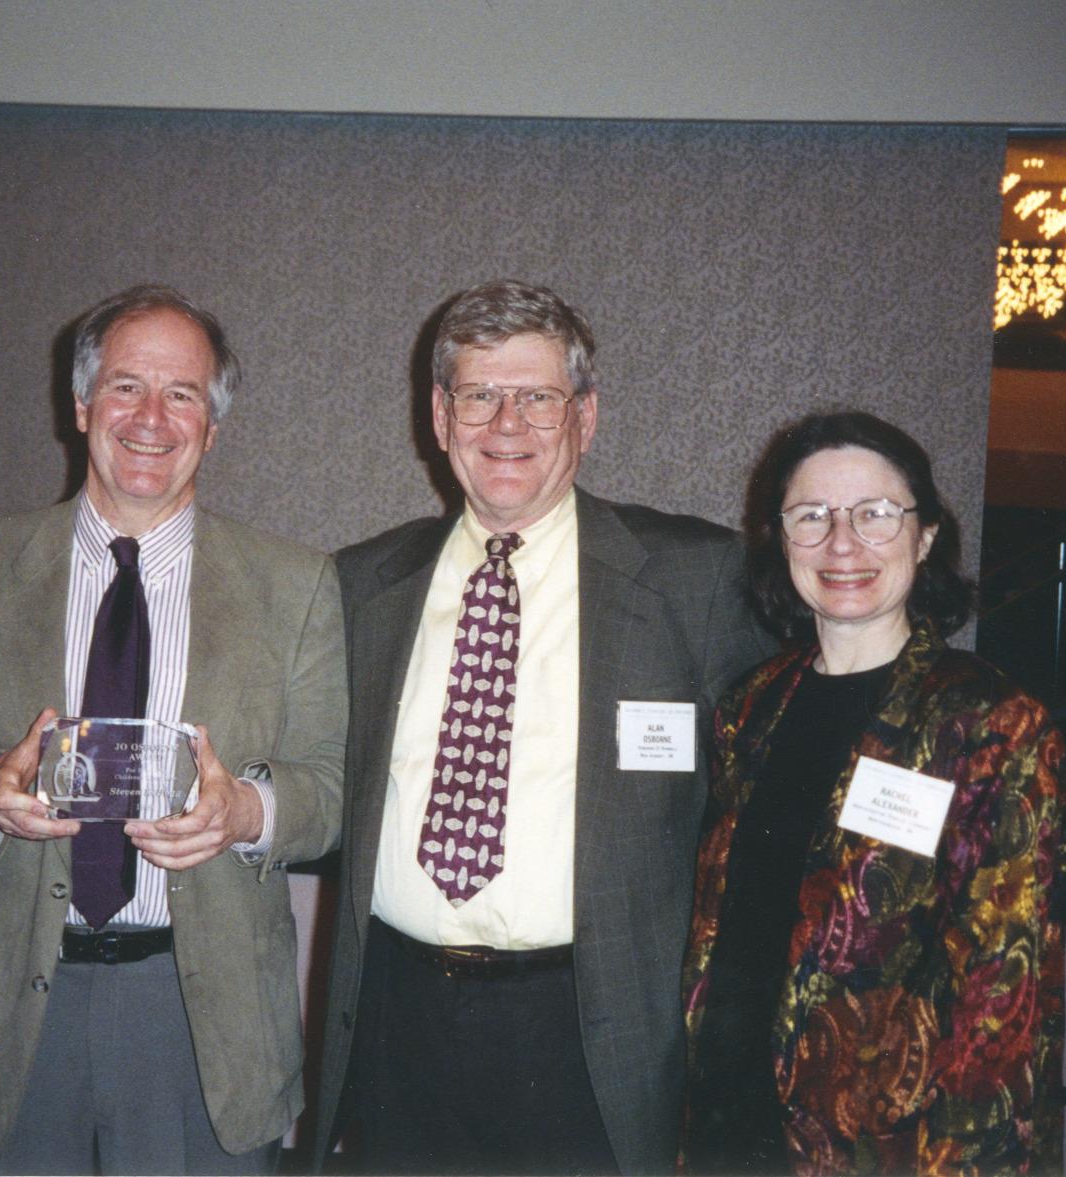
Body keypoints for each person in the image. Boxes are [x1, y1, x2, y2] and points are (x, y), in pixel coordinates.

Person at [313, 279, 772, 1175]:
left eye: (537, 397)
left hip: (592, 1028)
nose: (506, 423)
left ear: (584, 417)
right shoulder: (361, 584)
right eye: (479, 395)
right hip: (401, 1019)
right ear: (439, 417)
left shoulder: (694, 579)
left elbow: (768, 799)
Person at [0, 285, 345, 1175]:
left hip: (203, 1018)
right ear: (80, 405)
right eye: (126, 386)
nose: (150, 418)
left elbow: (331, 789)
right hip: (16, 1011)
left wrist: (245, 812)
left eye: (182, 394)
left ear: (212, 426)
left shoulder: (296, 585)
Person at [679, 410, 1066, 1174]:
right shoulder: (750, 706)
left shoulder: (989, 723)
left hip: (885, 1148)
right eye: (811, 515)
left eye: (876, 513)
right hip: (727, 1118)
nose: (841, 542)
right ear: (779, 537)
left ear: (924, 538)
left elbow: (1003, 1005)